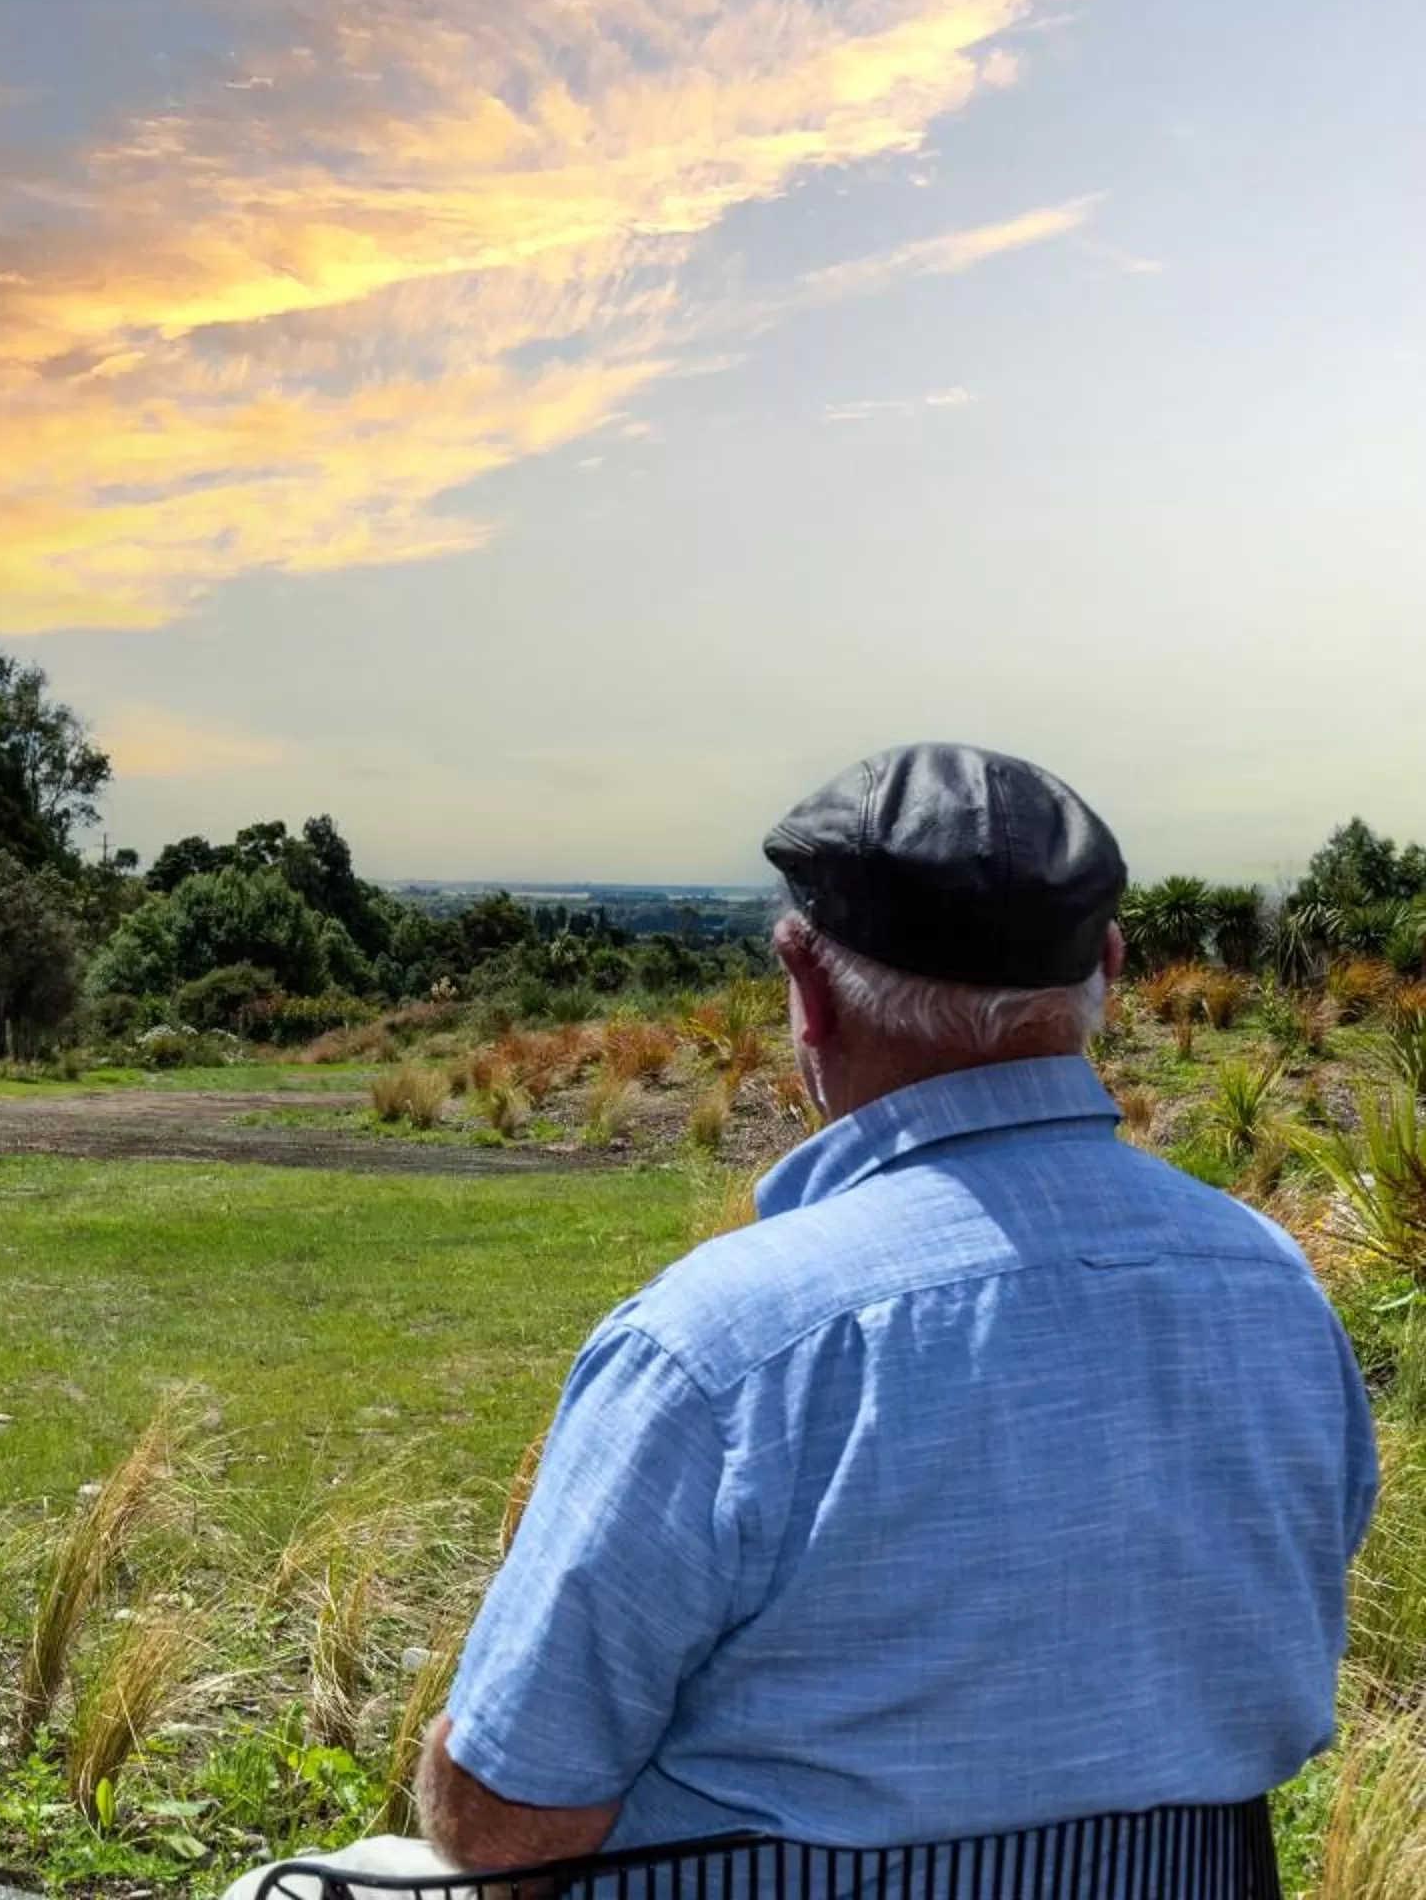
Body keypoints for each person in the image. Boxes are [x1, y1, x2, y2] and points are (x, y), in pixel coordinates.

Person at [230, 744, 1378, 1896]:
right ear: (1108, 972)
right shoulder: (1274, 1285)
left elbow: (512, 1823)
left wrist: (464, 1752)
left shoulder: (721, 1347)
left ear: (809, 989)